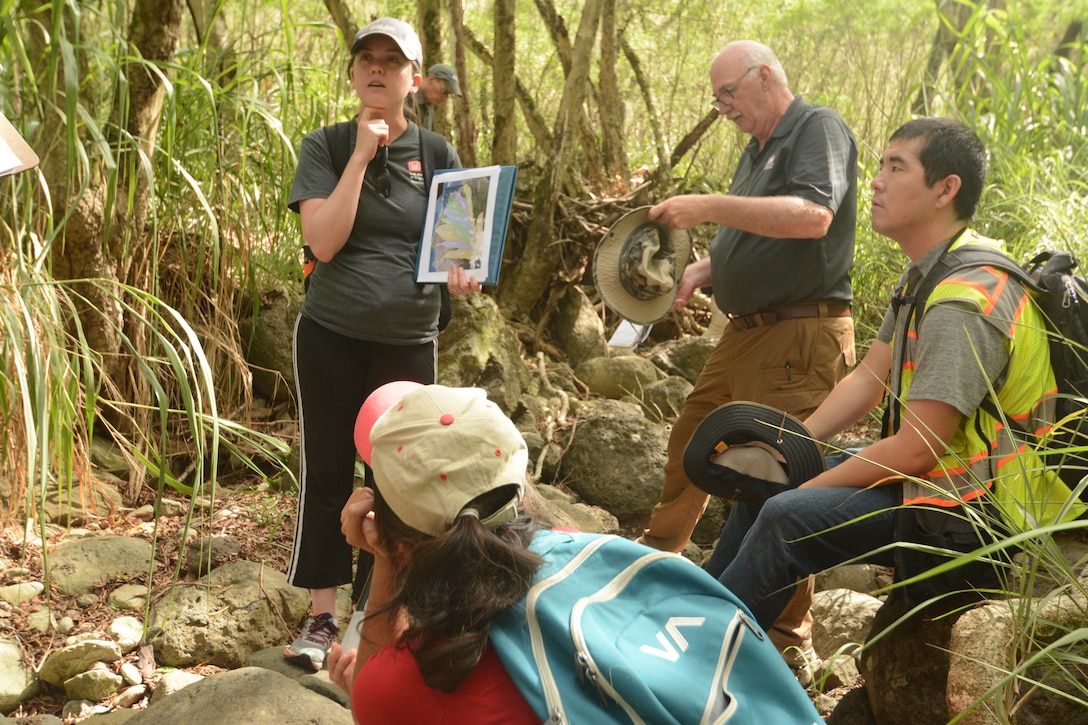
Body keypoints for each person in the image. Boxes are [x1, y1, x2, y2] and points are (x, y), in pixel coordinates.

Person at [704, 117, 1086, 633]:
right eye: (880, 165)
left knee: (785, 515)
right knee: (771, 483)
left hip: (984, 508)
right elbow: (867, 377)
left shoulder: (966, 297)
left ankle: (701, 651)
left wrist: (807, 485)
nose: (876, 180)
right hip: (942, 476)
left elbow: (915, 450)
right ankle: (689, 608)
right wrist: (791, 445)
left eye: (896, 167)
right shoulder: (928, 272)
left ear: (945, 189)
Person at [325, 383, 824, 724]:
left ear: (391, 529)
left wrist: (385, 561)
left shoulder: (412, 676)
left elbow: (370, 698)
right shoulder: (590, 554)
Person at [639, 39, 858, 660]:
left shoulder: (817, 128)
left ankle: (785, 639)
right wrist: (706, 269)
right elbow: (758, 233)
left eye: (728, 93)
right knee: (692, 440)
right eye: (716, 98)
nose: (722, 107)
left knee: (775, 473)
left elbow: (811, 216)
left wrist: (705, 205)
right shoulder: (753, 148)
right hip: (744, 331)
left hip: (799, 333)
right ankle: (657, 563)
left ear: (765, 77)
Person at [282, 17, 481, 672]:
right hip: (331, 333)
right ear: (352, 73)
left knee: (397, 480)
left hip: (407, 337)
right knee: (329, 470)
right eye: (365, 57)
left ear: (414, 81)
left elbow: (462, 253)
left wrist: (466, 270)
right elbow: (324, 243)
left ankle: (379, 617)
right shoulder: (327, 144)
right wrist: (363, 158)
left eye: (391, 62)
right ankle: (320, 616)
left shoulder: (440, 152)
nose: (376, 68)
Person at [415, 63, 461, 132]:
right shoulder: (406, 100)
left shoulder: (429, 108)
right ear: (431, 79)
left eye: (448, 95)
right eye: (444, 92)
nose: (445, 99)